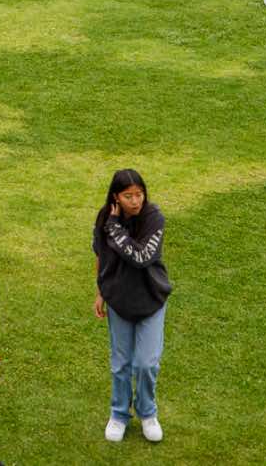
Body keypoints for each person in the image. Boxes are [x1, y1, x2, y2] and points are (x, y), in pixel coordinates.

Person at [93, 169, 170, 443]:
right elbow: (101, 256)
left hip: (151, 299)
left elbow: (141, 257)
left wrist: (115, 228)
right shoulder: (104, 218)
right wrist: (100, 292)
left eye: (139, 194)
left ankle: (148, 413)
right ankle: (119, 414)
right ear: (116, 197)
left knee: (146, 364)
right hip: (119, 300)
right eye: (128, 196)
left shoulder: (154, 217)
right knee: (121, 364)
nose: (136, 201)